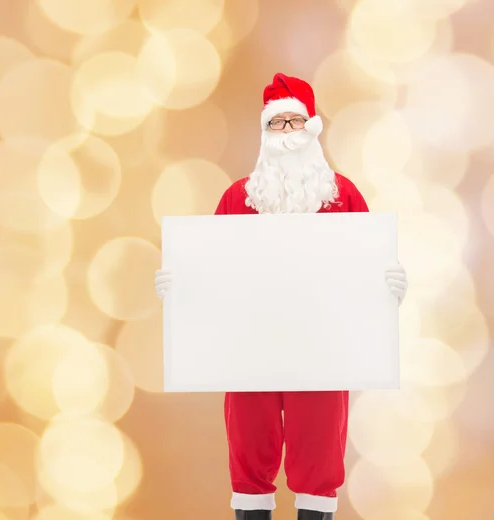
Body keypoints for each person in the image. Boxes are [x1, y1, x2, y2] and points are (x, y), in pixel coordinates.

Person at [154, 73, 408, 520]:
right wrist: (179, 288)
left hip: (324, 352)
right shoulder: (238, 198)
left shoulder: (343, 195)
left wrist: (389, 287)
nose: (288, 134)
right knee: (249, 446)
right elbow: (210, 270)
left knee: (320, 451)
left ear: (312, 129)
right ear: (265, 133)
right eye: (278, 125)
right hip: (250, 351)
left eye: (295, 122)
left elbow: (368, 265)